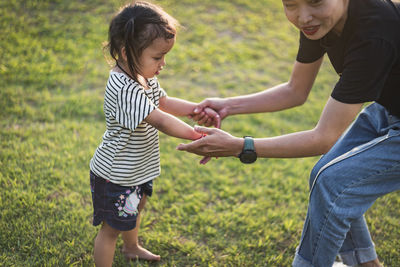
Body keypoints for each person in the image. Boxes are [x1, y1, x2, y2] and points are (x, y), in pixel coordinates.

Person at [177, 0, 400, 266]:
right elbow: (296, 89)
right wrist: (228, 105)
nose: (302, 16)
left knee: (333, 182)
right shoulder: (320, 22)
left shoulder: (374, 32)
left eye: (315, 1)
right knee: (326, 175)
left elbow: (324, 138)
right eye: (290, 4)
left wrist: (241, 146)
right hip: (388, 108)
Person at [89, 2, 219, 266]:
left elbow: (164, 103)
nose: (163, 64)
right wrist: (197, 136)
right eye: (157, 57)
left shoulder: (142, 76)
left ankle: (132, 247)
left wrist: (197, 108)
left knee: (135, 209)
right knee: (110, 229)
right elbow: (160, 119)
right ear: (126, 53)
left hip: (138, 168)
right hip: (116, 175)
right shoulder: (124, 88)